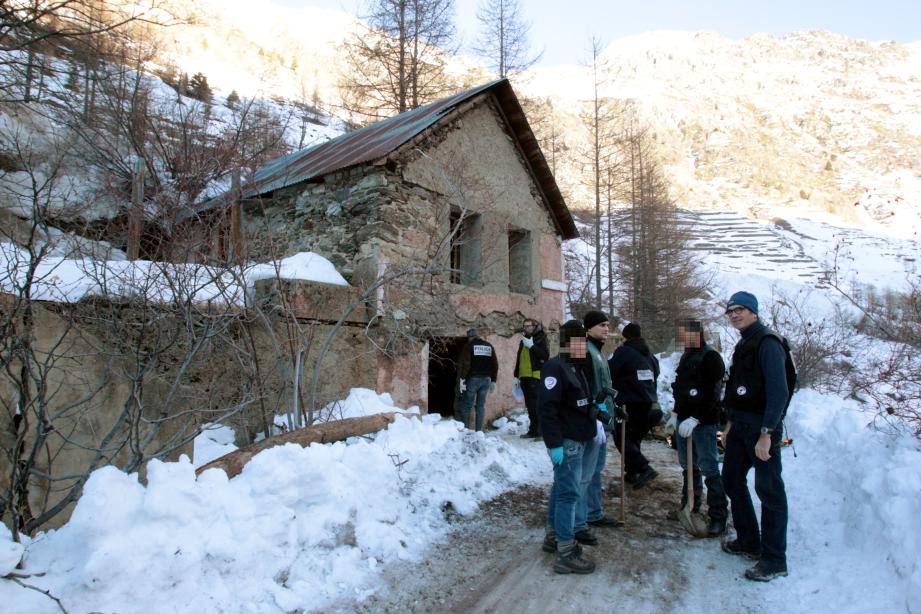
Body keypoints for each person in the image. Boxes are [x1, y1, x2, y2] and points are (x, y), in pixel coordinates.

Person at [720, 291, 790, 582]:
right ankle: (749, 540)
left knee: (769, 491)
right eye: (730, 311)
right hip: (740, 427)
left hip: (762, 430)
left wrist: (767, 434)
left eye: (740, 309)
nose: (734, 314)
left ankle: (774, 560)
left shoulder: (768, 343)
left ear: (753, 311)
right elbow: (737, 390)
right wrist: (728, 426)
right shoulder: (745, 342)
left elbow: (779, 392)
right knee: (732, 480)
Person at [539, 320, 601, 574]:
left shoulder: (577, 367)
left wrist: (597, 409)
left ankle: (553, 535)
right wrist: (554, 444)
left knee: (561, 488)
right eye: (576, 341)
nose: (582, 346)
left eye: (583, 341)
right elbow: (546, 409)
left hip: (580, 437)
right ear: (565, 342)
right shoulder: (555, 367)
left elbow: (579, 401)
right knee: (569, 494)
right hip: (566, 442)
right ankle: (565, 552)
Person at [670, 319, 728, 537]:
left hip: (703, 423)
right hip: (684, 422)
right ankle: (690, 505)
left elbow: (714, 395)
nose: (680, 337)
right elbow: (681, 389)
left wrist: (695, 418)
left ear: (695, 333)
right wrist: (676, 413)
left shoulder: (711, 357)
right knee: (688, 466)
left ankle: (718, 515)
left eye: (682, 333)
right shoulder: (686, 356)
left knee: (709, 467)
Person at [579, 310, 622, 529]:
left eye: (607, 325)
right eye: (602, 325)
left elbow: (603, 387)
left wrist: (615, 408)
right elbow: (585, 390)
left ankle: (593, 512)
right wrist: (595, 416)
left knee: (595, 469)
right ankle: (580, 518)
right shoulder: (585, 351)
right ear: (588, 328)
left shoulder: (597, 351)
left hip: (602, 420)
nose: (607, 328)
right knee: (588, 471)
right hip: (593, 421)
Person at [608, 322, 663, 489]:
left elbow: (610, 370)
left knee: (621, 438)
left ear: (625, 337)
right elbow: (656, 373)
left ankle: (644, 467)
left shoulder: (624, 352)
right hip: (648, 403)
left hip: (628, 402)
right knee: (634, 438)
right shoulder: (649, 355)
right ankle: (632, 472)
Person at [456, 328, 498, 432]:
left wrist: (462, 379)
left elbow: (466, 364)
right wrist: (493, 380)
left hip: (473, 379)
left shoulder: (469, 346)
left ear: (470, 337)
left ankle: (465, 430)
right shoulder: (489, 346)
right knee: (480, 406)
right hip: (486, 380)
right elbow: (495, 364)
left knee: (467, 405)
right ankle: (479, 431)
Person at [513, 318, 549, 438]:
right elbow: (519, 358)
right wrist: (516, 376)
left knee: (536, 405)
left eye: (529, 326)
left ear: (535, 326)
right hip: (524, 376)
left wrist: (533, 346)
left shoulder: (541, 338)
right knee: (529, 406)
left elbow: (545, 355)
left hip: (535, 376)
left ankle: (540, 431)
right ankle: (533, 430)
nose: (526, 328)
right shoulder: (524, 340)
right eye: (525, 326)